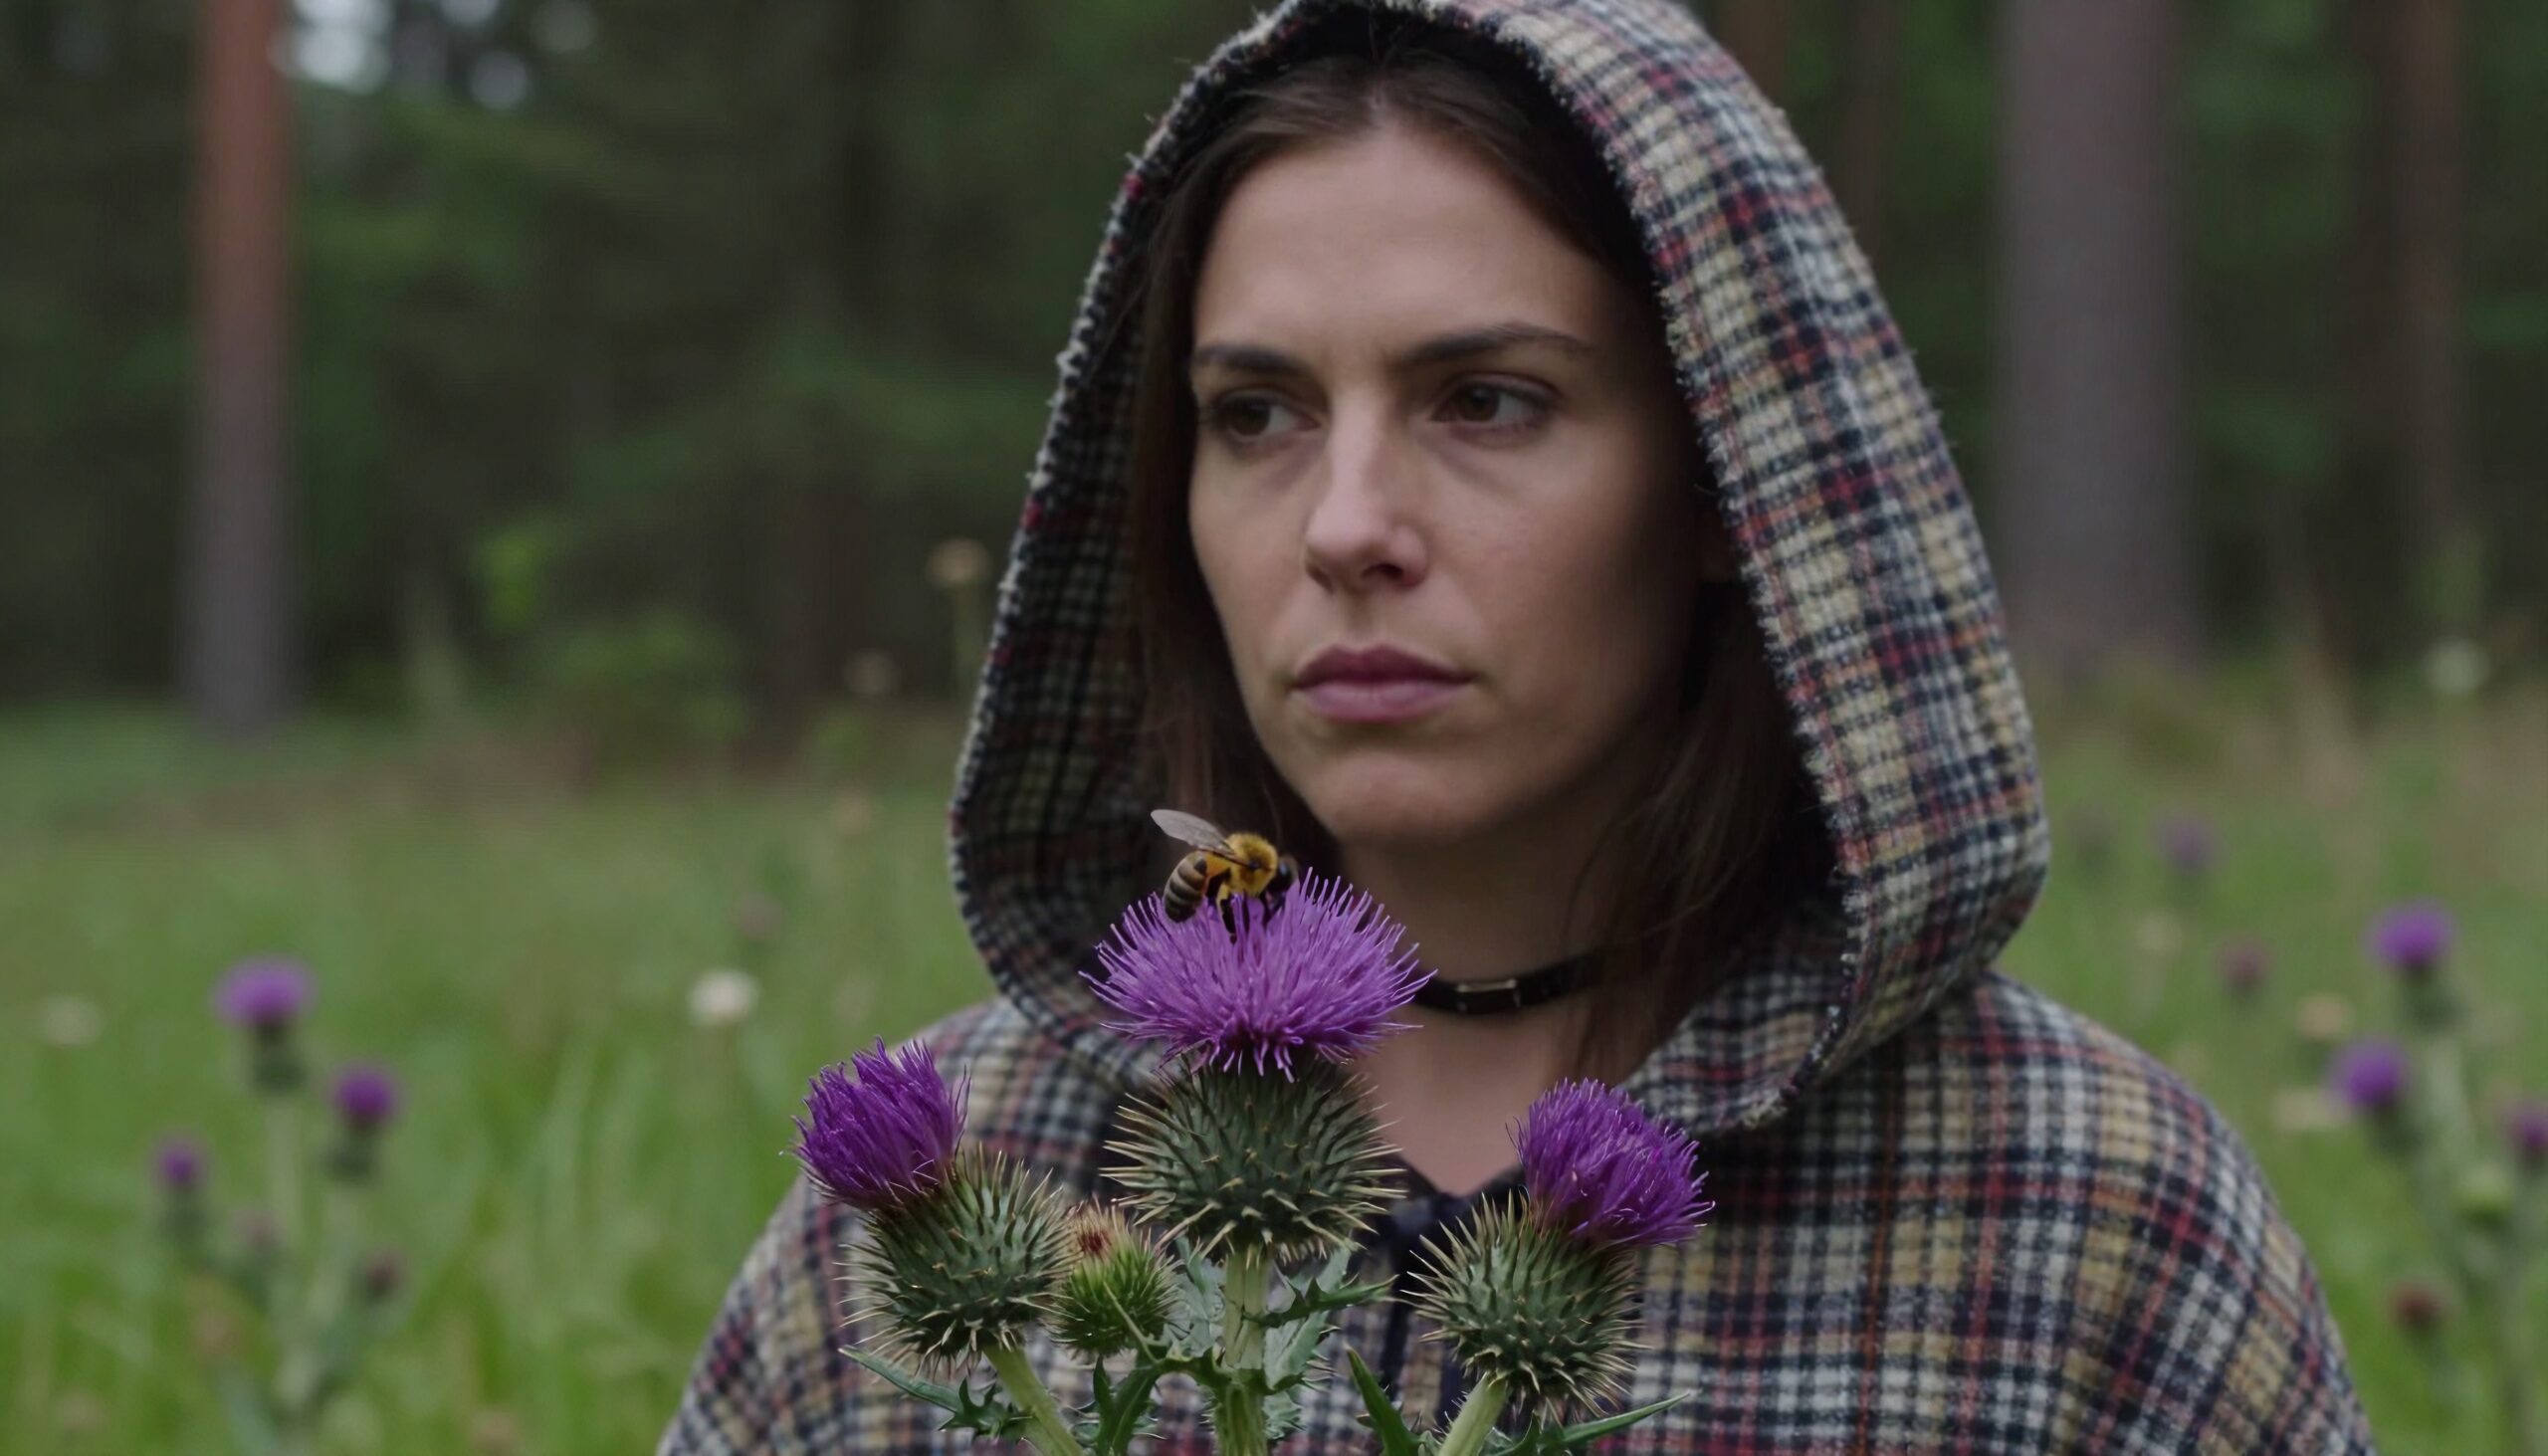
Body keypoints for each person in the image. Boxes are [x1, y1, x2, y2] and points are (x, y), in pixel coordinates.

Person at [661, 1, 2376, 1450]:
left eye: (1486, 400)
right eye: (1254, 412)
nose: (1343, 525)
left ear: (1731, 483)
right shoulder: (935, 1186)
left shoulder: (2088, 1216)